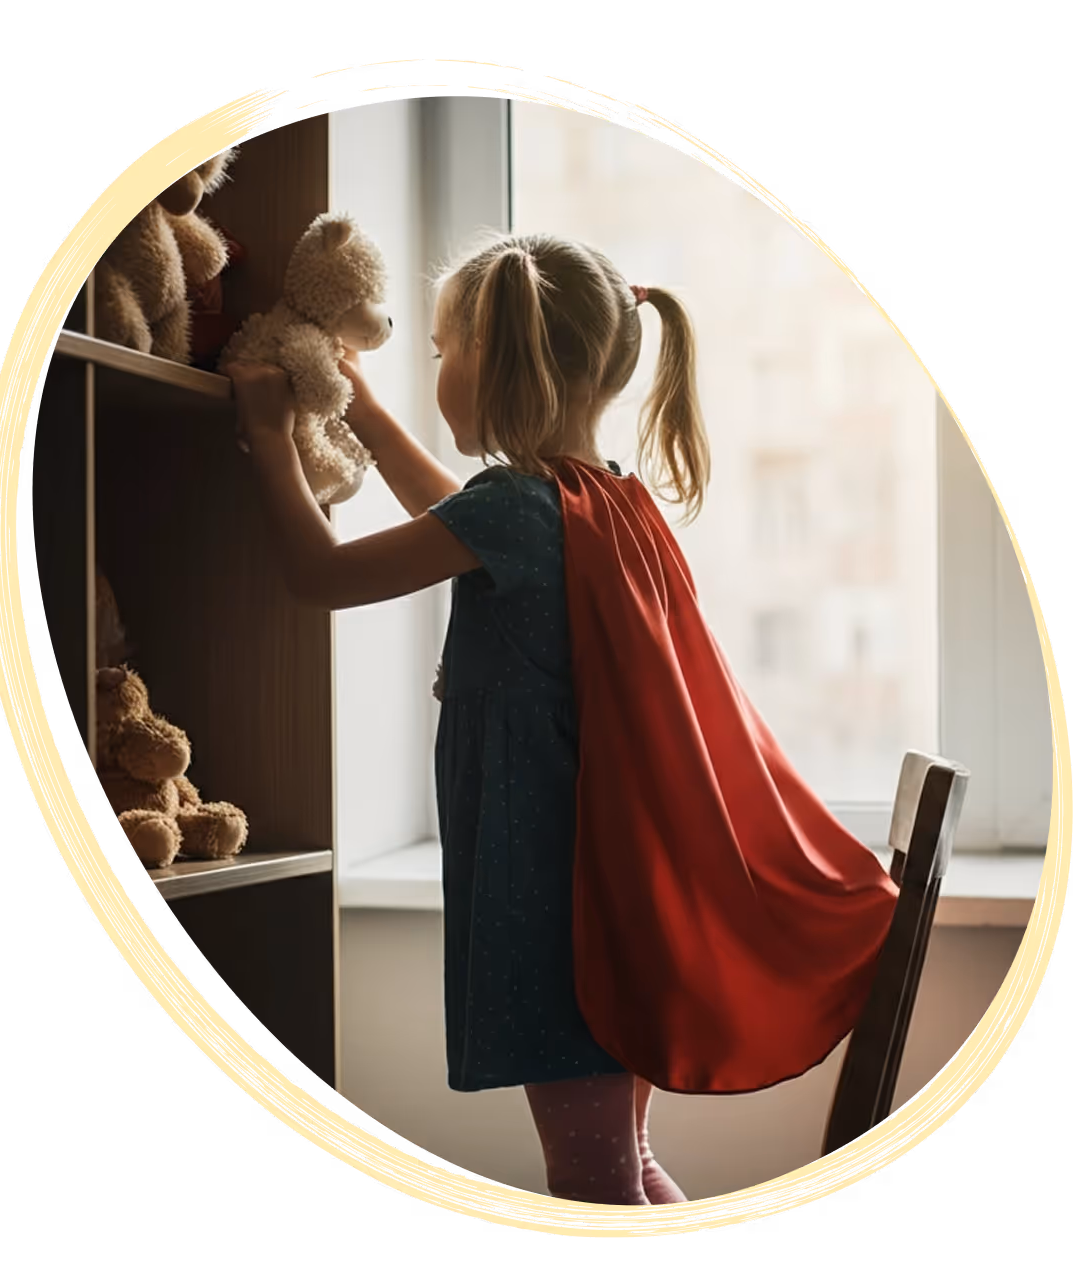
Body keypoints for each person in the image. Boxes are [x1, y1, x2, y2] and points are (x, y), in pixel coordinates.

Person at [225, 232, 897, 1208]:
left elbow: (316, 575)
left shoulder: (517, 508)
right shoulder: (599, 497)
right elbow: (455, 517)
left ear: (499, 362)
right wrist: (363, 414)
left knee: (589, 1181)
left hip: (550, 912)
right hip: (602, 906)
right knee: (617, 1167)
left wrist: (271, 436)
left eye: (445, 348)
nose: (438, 368)